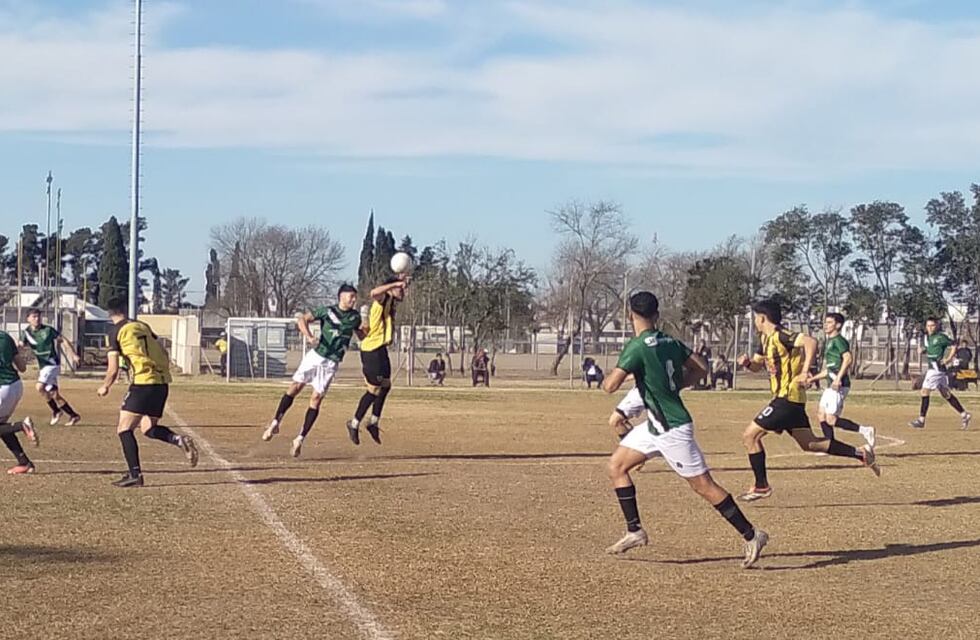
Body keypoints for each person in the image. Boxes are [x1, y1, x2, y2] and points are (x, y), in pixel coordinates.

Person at [602, 292, 769, 568]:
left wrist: (625, 372)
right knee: (616, 467)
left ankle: (752, 535)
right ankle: (634, 531)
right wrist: (676, 384)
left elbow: (609, 386)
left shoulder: (636, 346)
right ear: (656, 315)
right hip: (657, 424)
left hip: (672, 429)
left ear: (631, 315)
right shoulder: (670, 341)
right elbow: (702, 367)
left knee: (703, 486)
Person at [736, 299, 879, 502]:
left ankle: (761, 485)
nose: (753, 322)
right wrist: (747, 363)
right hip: (790, 400)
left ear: (761, 318)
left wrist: (804, 372)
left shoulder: (781, 335)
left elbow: (811, 342)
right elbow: (757, 367)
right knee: (810, 443)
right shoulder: (765, 340)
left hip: (787, 398)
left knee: (750, 436)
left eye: (754, 318)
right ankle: (860, 453)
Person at [97, 297, 199, 488]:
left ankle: (135, 474)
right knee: (147, 428)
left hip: (143, 384)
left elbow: (112, 369)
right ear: (125, 309)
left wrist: (105, 386)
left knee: (124, 429)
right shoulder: (142, 326)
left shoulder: (115, 332)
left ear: (109, 314)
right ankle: (178, 439)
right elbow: (162, 350)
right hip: (161, 384)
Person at [262, 285, 364, 456]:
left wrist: (371, 329)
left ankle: (299, 439)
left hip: (331, 363)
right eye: (351, 296)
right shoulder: (327, 311)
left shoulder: (355, 317)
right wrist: (309, 336)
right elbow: (302, 319)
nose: (354, 299)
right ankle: (275, 422)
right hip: (316, 356)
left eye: (355, 297)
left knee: (316, 399)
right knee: (295, 387)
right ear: (341, 296)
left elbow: (361, 335)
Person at [346, 276, 409, 445]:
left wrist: (401, 279)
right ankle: (354, 423)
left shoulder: (391, 301)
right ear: (390, 289)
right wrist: (395, 283)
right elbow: (374, 292)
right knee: (373, 389)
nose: (403, 291)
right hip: (370, 349)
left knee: (386, 385)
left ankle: (373, 422)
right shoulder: (382, 299)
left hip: (380, 349)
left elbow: (395, 288)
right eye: (400, 289)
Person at [808, 313, 876, 446]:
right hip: (831, 385)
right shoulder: (830, 341)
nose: (825, 325)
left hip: (839, 385)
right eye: (825, 322)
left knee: (831, 419)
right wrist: (812, 379)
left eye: (829, 322)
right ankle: (830, 444)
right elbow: (829, 369)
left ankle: (865, 430)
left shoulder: (839, 340)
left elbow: (848, 359)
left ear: (838, 325)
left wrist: (838, 378)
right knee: (821, 415)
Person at [19, 308, 82, 426]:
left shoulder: (48, 330)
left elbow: (63, 340)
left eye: (38, 316)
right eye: (34, 317)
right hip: (43, 366)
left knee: (39, 387)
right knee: (54, 395)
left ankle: (56, 411)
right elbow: (20, 346)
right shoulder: (26, 333)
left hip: (52, 364)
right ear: (28, 319)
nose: (37, 319)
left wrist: (73, 354)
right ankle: (73, 415)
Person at [909, 317, 972, 430]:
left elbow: (954, 345)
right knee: (945, 393)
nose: (930, 328)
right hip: (935, 369)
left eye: (932, 325)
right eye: (928, 326)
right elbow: (930, 349)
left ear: (936, 326)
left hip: (936, 368)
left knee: (924, 391)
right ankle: (964, 414)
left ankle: (921, 420)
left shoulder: (941, 337)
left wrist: (948, 359)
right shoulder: (927, 338)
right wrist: (922, 351)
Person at [0, 329, 38, 475]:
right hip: (15, 386)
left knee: (4, 427)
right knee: (3, 427)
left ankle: (21, 426)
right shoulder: (5, 336)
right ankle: (25, 463)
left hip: (3, 388)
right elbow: (22, 367)